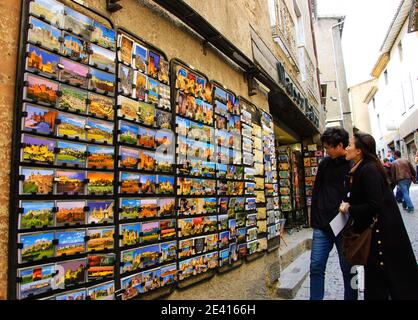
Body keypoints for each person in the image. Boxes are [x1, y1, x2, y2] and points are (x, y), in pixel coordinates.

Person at [339, 132, 418, 300]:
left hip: (381, 234)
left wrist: (349, 208)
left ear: (359, 150)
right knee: (382, 280)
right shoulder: (362, 168)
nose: (347, 148)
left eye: (350, 145)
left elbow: (374, 204)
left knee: (386, 280)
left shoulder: (368, 169)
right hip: (379, 233)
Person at [309, 127, 357, 300]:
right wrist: (315, 219)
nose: (326, 150)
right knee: (316, 266)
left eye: (328, 146)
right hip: (322, 226)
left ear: (340, 145)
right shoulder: (324, 164)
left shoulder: (353, 164)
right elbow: (316, 192)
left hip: (345, 226)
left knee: (348, 268)